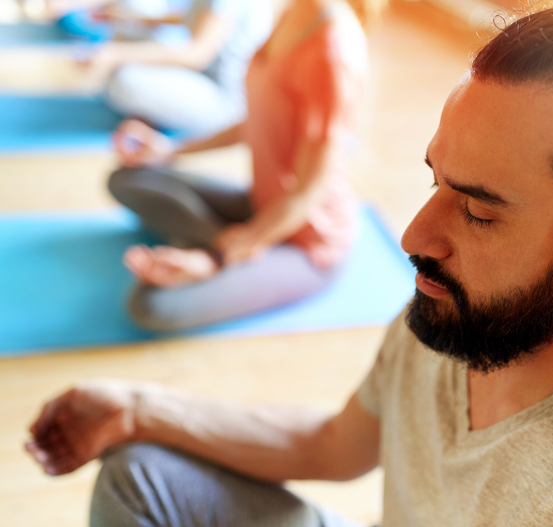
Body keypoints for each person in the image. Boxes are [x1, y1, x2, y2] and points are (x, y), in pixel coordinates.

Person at [25, 4, 553, 526]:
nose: (413, 234)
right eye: (437, 181)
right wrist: (138, 409)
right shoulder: (452, 303)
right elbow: (335, 444)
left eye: (479, 210)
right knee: (139, 472)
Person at [105, 0, 381, 331]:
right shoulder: (295, 13)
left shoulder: (333, 51)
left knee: (150, 303)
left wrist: (214, 259)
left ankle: (227, 247)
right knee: (129, 179)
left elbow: (306, 195)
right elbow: (259, 120)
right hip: (262, 205)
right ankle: (230, 241)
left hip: (307, 240)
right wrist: (170, 149)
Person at [40, 0, 273, 135]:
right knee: (130, 42)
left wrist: (115, 54)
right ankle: (153, 111)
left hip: (226, 104)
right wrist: (131, 19)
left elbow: (195, 54)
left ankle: (153, 114)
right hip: (198, 79)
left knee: (124, 79)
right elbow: (189, 19)